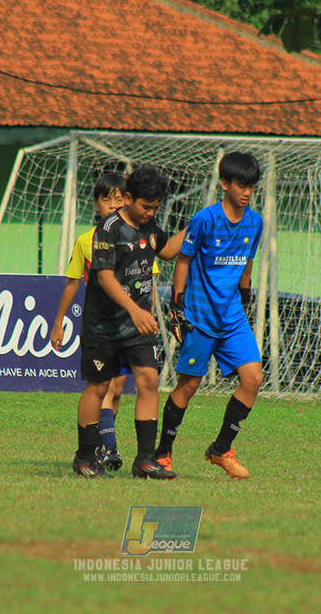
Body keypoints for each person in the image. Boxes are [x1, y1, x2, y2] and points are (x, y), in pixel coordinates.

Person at [156, 151, 264, 480]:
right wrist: (177, 307)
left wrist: (245, 295)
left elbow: (246, 262)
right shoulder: (205, 219)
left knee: (253, 378)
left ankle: (221, 450)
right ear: (225, 184)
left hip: (232, 317)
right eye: (241, 185)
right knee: (188, 387)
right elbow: (182, 261)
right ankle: (162, 455)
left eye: (251, 187)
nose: (246, 192)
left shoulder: (255, 222)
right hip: (200, 317)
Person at [71, 165, 184, 479]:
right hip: (104, 325)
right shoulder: (108, 228)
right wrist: (135, 310)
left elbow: (167, 251)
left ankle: (145, 460)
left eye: (155, 208)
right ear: (129, 198)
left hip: (138, 326)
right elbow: (105, 278)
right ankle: (84, 458)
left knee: (149, 381)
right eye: (145, 207)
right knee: (98, 387)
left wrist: (197, 226)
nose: (150, 213)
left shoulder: (150, 226)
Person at [51, 171, 130, 471]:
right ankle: (107, 448)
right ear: (96, 204)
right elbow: (72, 282)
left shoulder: (137, 238)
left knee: (118, 389)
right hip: (100, 325)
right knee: (104, 387)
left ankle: (100, 439)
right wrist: (58, 322)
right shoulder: (86, 241)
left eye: (119, 198)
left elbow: (146, 281)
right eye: (106, 199)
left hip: (129, 326)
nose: (113, 204)